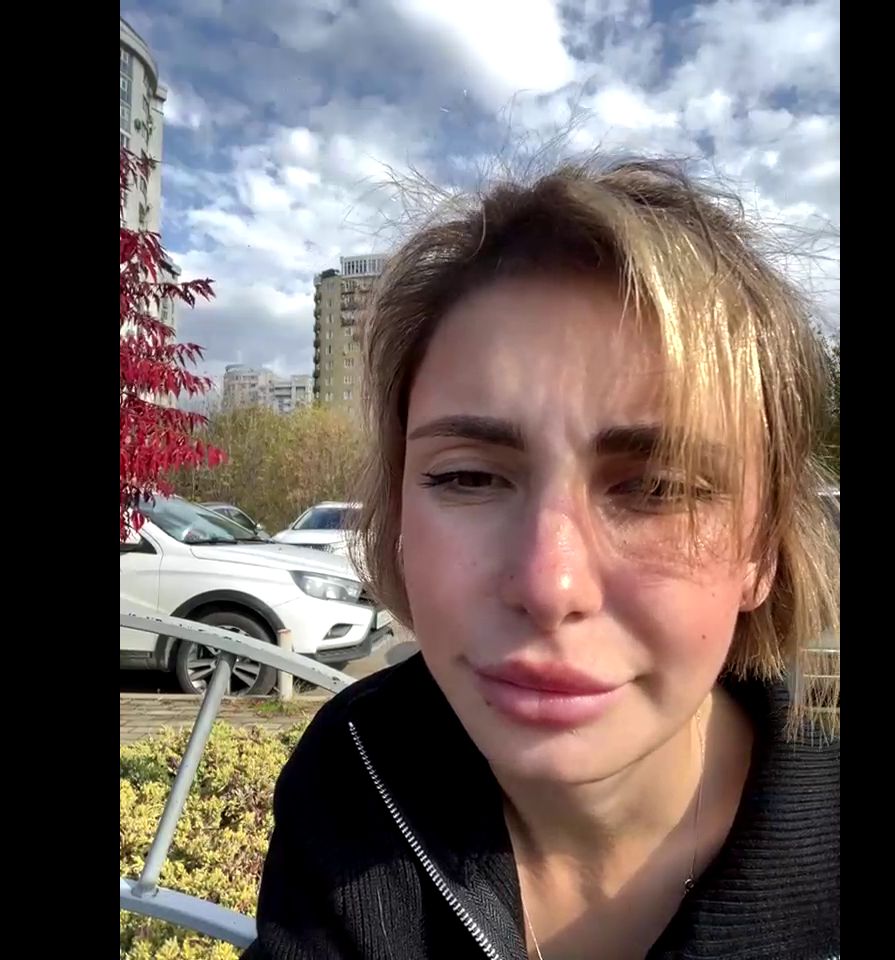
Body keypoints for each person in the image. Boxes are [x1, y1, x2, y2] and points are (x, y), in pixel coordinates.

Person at [243, 157, 840, 960]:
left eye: (658, 488)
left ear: (761, 549)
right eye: (468, 477)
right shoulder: (357, 772)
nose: (549, 584)